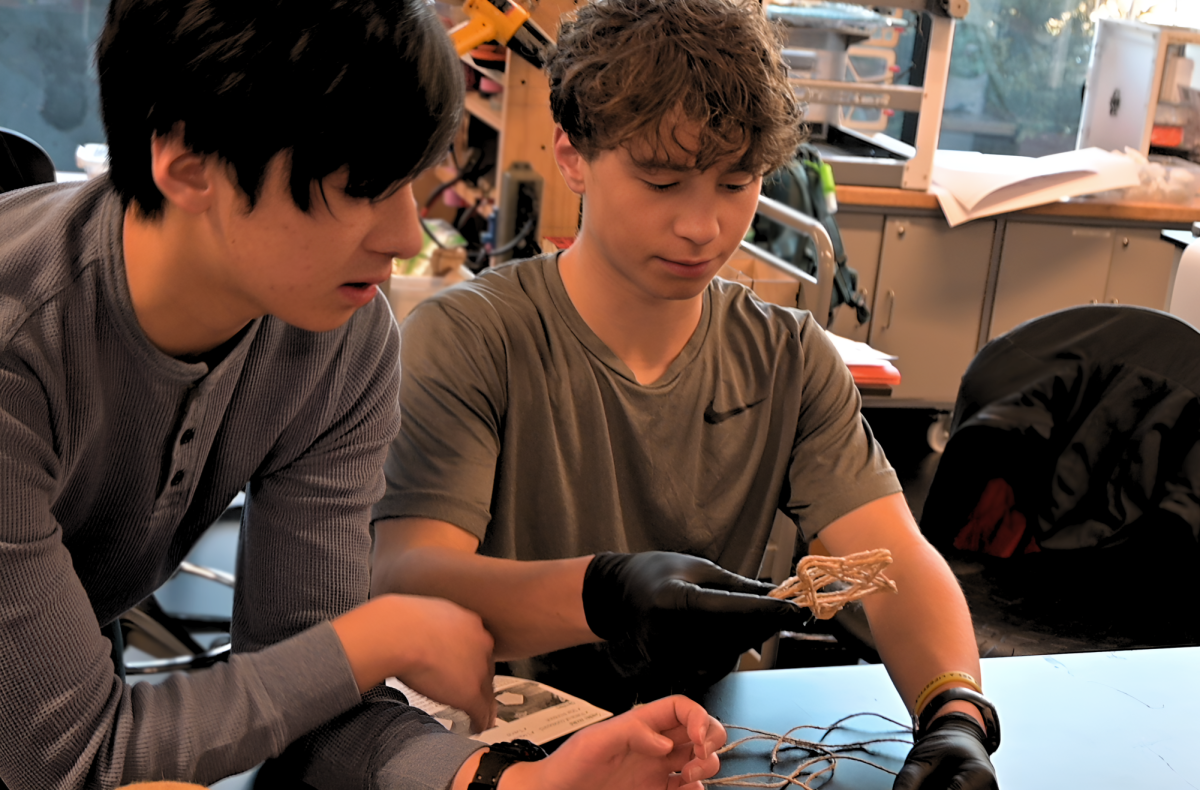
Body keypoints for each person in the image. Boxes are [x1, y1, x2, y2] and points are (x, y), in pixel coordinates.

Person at [0, 0, 728, 788]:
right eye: (360, 186)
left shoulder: (335, 337)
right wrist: (374, 639)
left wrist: (512, 782)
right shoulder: (19, 346)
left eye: (411, 181)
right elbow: (75, 755)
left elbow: (312, 702)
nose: (406, 236)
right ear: (186, 163)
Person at [370, 0, 1001, 787]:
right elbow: (406, 580)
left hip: (700, 759)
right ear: (572, 155)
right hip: (498, 761)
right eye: (661, 180)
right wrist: (602, 594)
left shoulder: (789, 359)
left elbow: (893, 558)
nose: (703, 226)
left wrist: (957, 716)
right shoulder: (472, 340)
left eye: (737, 183)